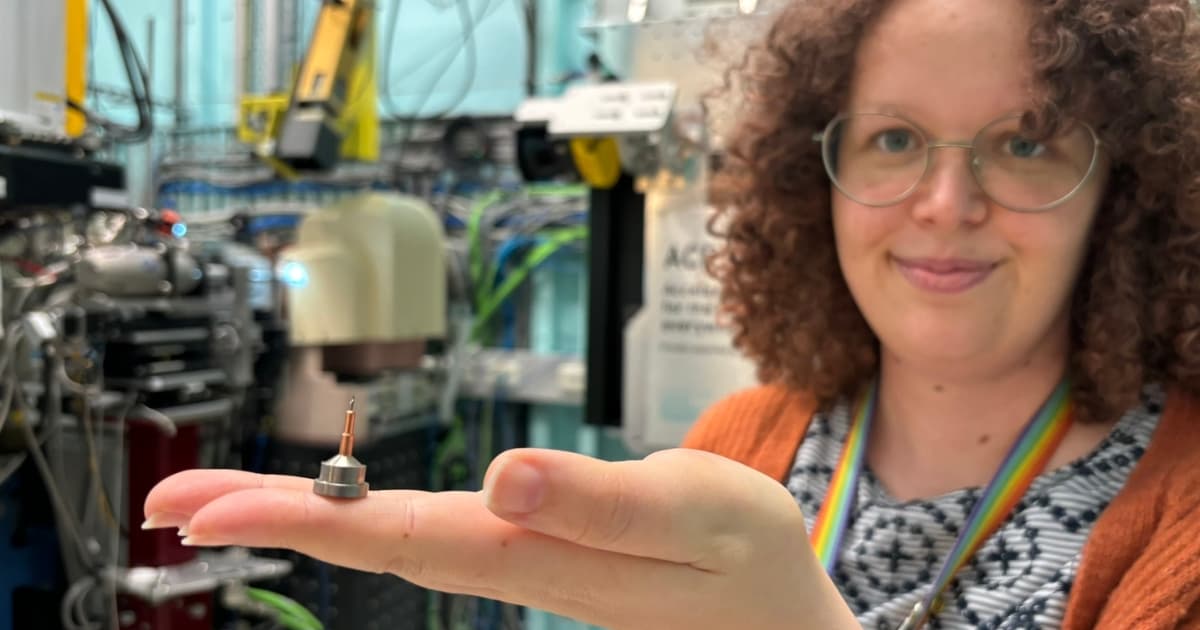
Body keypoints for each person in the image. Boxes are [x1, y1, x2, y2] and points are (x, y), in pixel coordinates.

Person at [143, 0, 1200, 627]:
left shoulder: (1182, 515)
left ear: (1128, 187)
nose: (945, 204)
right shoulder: (742, 447)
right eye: (892, 140)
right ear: (808, 175)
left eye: (1025, 142)